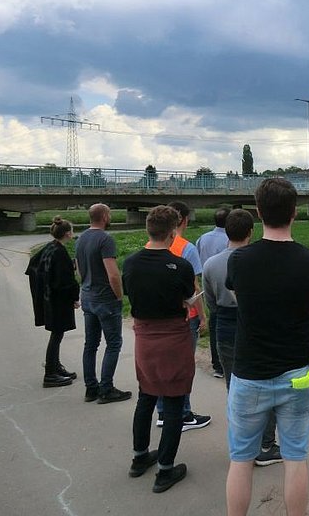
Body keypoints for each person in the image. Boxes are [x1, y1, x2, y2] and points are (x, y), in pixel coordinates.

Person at [225, 178, 309, 516]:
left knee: (240, 460)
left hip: (250, 374)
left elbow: (242, 303)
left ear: (258, 213)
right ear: (294, 213)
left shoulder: (239, 261)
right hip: (296, 375)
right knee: (296, 458)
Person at [122, 205, 194, 493]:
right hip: (173, 336)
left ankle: (140, 457)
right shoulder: (181, 265)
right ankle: (165, 469)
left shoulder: (131, 262)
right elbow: (188, 297)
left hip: (144, 336)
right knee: (174, 402)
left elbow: (132, 293)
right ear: (173, 231)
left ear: (148, 229)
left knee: (146, 396)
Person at [202, 208, 282, 466]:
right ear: (251, 231)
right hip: (256, 327)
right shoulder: (259, 261)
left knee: (234, 387)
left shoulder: (211, 264)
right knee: (265, 386)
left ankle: (242, 442)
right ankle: (266, 444)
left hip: (224, 327)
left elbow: (211, 303)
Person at [150, 201, 210, 432]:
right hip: (186, 315)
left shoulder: (151, 244)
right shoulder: (187, 248)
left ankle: (163, 411)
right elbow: (195, 287)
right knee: (183, 367)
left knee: (163, 365)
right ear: (183, 220)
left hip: (159, 315)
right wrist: (203, 316)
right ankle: (184, 414)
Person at [75, 203, 131, 404]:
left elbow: (80, 270)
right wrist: (118, 295)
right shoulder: (105, 239)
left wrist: (86, 286)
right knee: (113, 343)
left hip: (88, 295)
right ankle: (107, 388)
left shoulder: (81, 238)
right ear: (105, 216)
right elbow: (113, 274)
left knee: (90, 344)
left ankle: (91, 388)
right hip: (105, 298)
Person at [26, 217, 80, 388]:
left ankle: (56, 366)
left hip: (49, 298)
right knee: (56, 335)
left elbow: (34, 265)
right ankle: (50, 374)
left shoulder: (50, 248)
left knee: (57, 334)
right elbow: (65, 281)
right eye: (71, 230)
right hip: (58, 301)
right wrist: (74, 297)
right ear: (67, 234)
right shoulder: (60, 252)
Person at [196, 206, 231, 378]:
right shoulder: (229, 239)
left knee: (213, 325)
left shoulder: (202, 238)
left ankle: (217, 365)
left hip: (207, 283)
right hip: (226, 287)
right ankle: (228, 363)